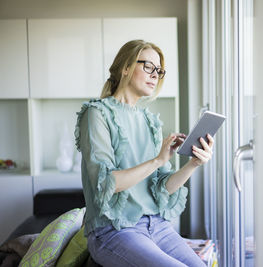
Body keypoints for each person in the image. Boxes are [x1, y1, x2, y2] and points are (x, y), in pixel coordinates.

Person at [74, 40, 213, 267]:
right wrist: (157, 160)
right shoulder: (96, 114)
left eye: (158, 71)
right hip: (113, 230)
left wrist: (193, 164)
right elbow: (107, 183)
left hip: (157, 225)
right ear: (125, 68)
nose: (155, 75)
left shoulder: (149, 120)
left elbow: (161, 188)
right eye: (148, 66)